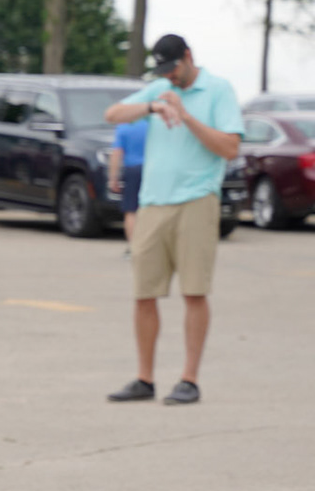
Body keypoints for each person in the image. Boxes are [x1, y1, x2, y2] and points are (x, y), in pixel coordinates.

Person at [103, 34, 242, 406]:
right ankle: (144, 379)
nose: (170, 76)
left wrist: (187, 116)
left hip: (197, 200)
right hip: (153, 203)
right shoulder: (160, 89)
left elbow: (230, 148)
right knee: (143, 293)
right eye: (163, 70)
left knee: (194, 291)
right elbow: (112, 115)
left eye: (174, 68)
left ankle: (189, 380)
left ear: (188, 57)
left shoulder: (218, 90)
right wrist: (153, 107)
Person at [106, 114, 149, 251]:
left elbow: (117, 153)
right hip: (152, 169)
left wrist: (113, 178)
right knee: (152, 208)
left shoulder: (123, 126)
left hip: (132, 170)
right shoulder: (151, 123)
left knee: (131, 210)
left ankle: (133, 247)